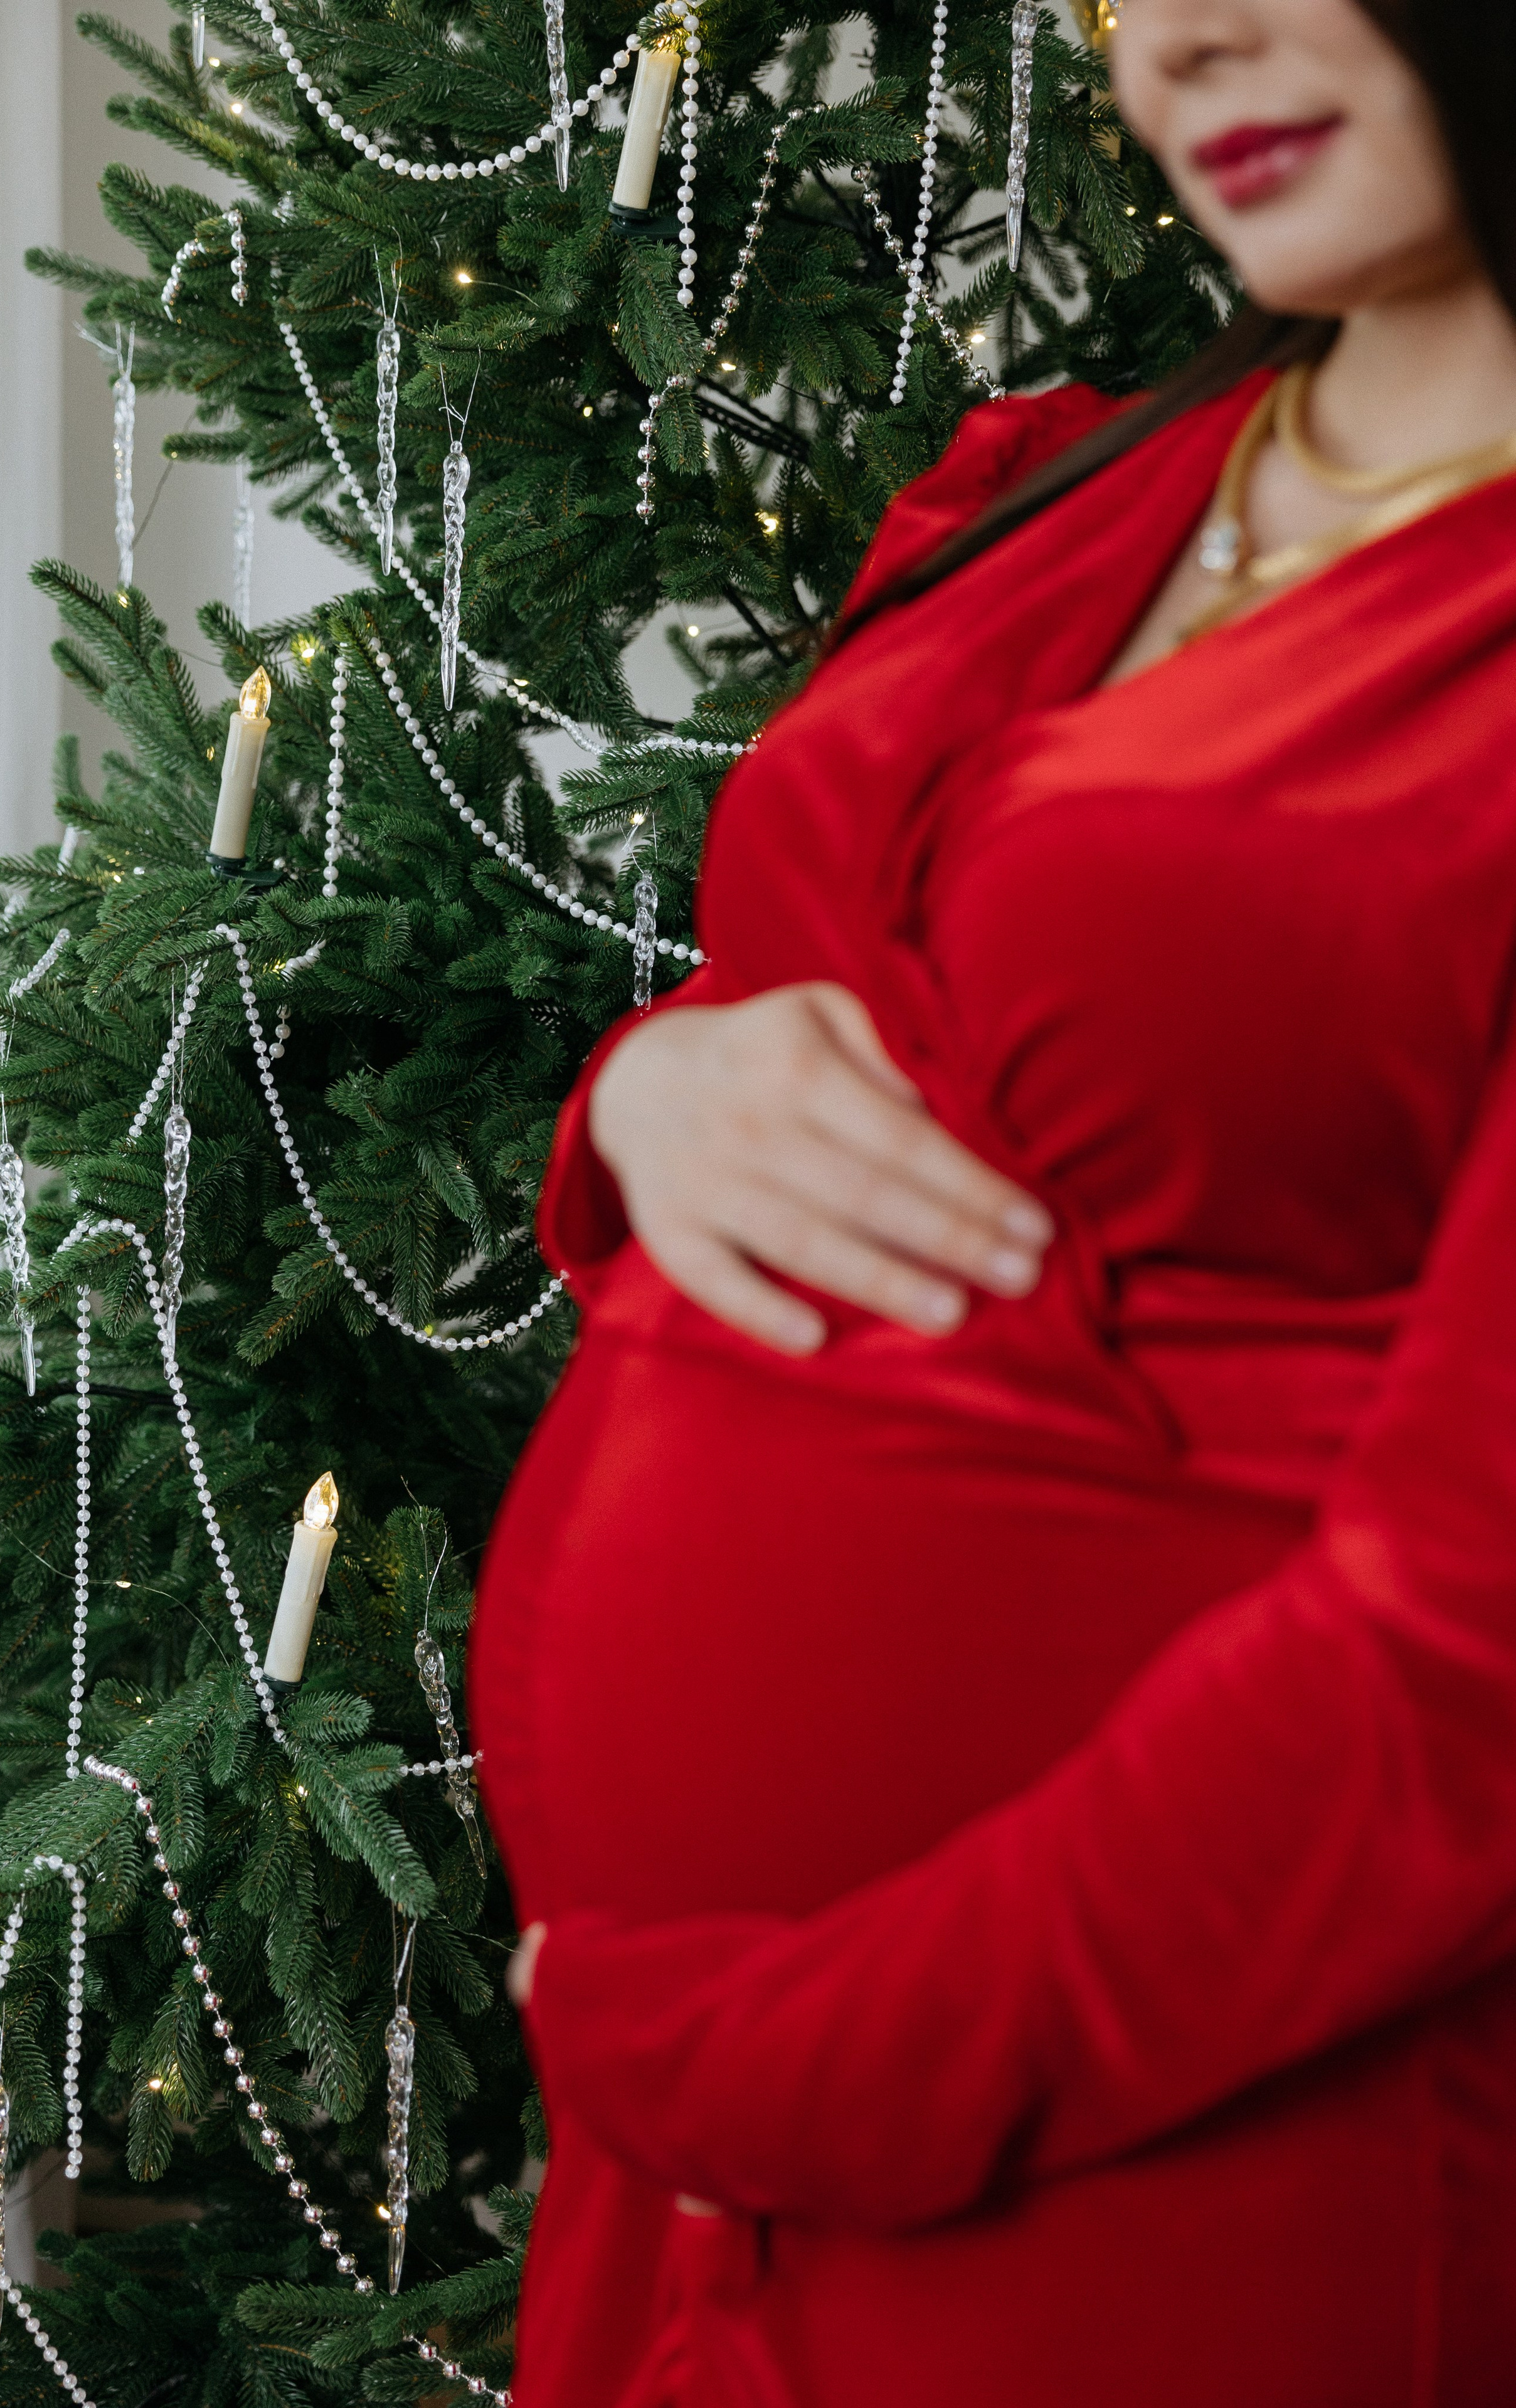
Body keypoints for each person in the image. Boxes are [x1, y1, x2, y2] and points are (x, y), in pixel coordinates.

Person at [470, 2, 1516, 2399]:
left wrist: (794, 2068)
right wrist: (647, 1094)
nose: (1191, 35)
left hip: (1176, 2125)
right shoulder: (1077, 482)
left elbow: (1476, 1654)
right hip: (698, 2140)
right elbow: (846, 995)